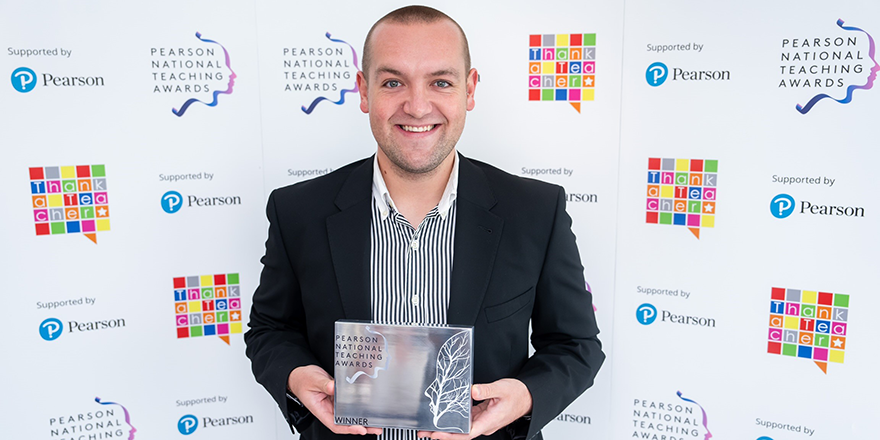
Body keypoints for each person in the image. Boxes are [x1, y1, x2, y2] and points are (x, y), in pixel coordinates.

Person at [245, 6, 604, 440]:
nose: (417, 107)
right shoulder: (297, 210)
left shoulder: (535, 211)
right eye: (393, 82)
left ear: (469, 90)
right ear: (363, 91)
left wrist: (525, 396)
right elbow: (271, 329)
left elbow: (576, 345)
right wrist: (297, 377)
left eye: (440, 82)